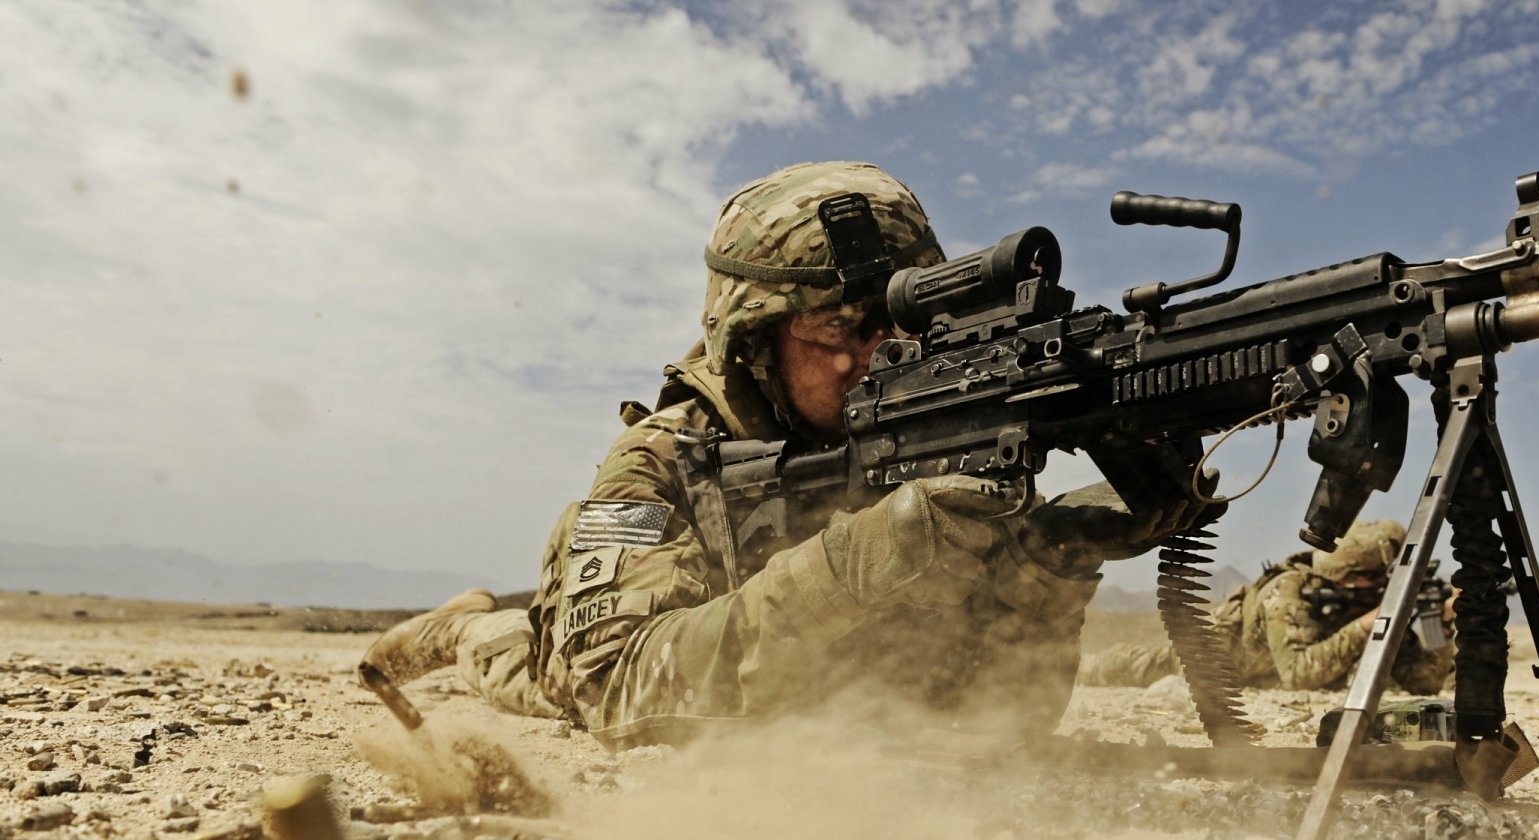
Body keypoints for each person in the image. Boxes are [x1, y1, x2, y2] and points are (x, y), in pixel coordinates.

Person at [360, 161, 1205, 750]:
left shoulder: (933, 424)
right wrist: (863, 555)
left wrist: (1050, 564)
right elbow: (613, 693)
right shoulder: (661, 460)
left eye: (900, 325)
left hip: (815, 695)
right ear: (752, 338)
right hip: (576, 652)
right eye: (838, 328)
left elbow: (998, 716)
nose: (876, 355)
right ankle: (463, 620)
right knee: (511, 659)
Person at [1078, 520, 1455, 694]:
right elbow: (1297, 675)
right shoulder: (1288, 590)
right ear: (1355, 576)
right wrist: (1366, 626)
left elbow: (1423, 684)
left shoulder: (1366, 600)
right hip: (1221, 659)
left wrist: (1444, 625)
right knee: (1141, 665)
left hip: (1262, 677)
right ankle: (1073, 666)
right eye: (1384, 582)